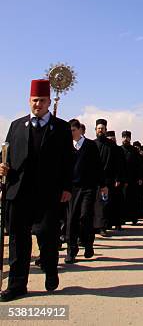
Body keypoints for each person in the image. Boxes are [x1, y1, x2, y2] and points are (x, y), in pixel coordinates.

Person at [0, 79, 73, 302]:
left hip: (48, 193)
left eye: (41, 100)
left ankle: (50, 269)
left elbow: (68, 161)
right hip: (19, 191)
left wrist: (67, 187)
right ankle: (17, 284)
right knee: (18, 240)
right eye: (34, 100)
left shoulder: (60, 128)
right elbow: (7, 153)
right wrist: (2, 166)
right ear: (29, 101)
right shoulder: (16, 125)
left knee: (47, 235)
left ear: (49, 102)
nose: (37, 104)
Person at [65, 119, 107, 263]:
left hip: (88, 187)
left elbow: (98, 166)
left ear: (79, 130)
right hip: (71, 189)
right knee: (71, 220)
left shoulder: (90, 146)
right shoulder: (66, 146)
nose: (71, 134)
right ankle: (71, 250)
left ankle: (88, 244)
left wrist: (103, 185)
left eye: (73, 131)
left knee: (85, 216)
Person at [93, 120, 120, 237]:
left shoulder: (112, 146)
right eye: (98, 128)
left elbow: (117, 163)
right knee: (94, 204)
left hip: (107, 179)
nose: (100, 130)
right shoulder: (91, 144)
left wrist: (117, 178)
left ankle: (103, 227)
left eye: (102, 128)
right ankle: (94, 227)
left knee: (104, 204)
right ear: (95, 130)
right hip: (93, 179)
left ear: (105, 130)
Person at [121, 131, 143, 225]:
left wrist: (139, 177)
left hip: (133, 179)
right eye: (124, 137)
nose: (126, 139)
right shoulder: (119, 149)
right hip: (122, 178)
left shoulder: (134, 151)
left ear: (130, 138)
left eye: (127, 137)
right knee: (122, 199)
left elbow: (139, 165)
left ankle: (133, 218)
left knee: (133, 199)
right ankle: (122, 218)